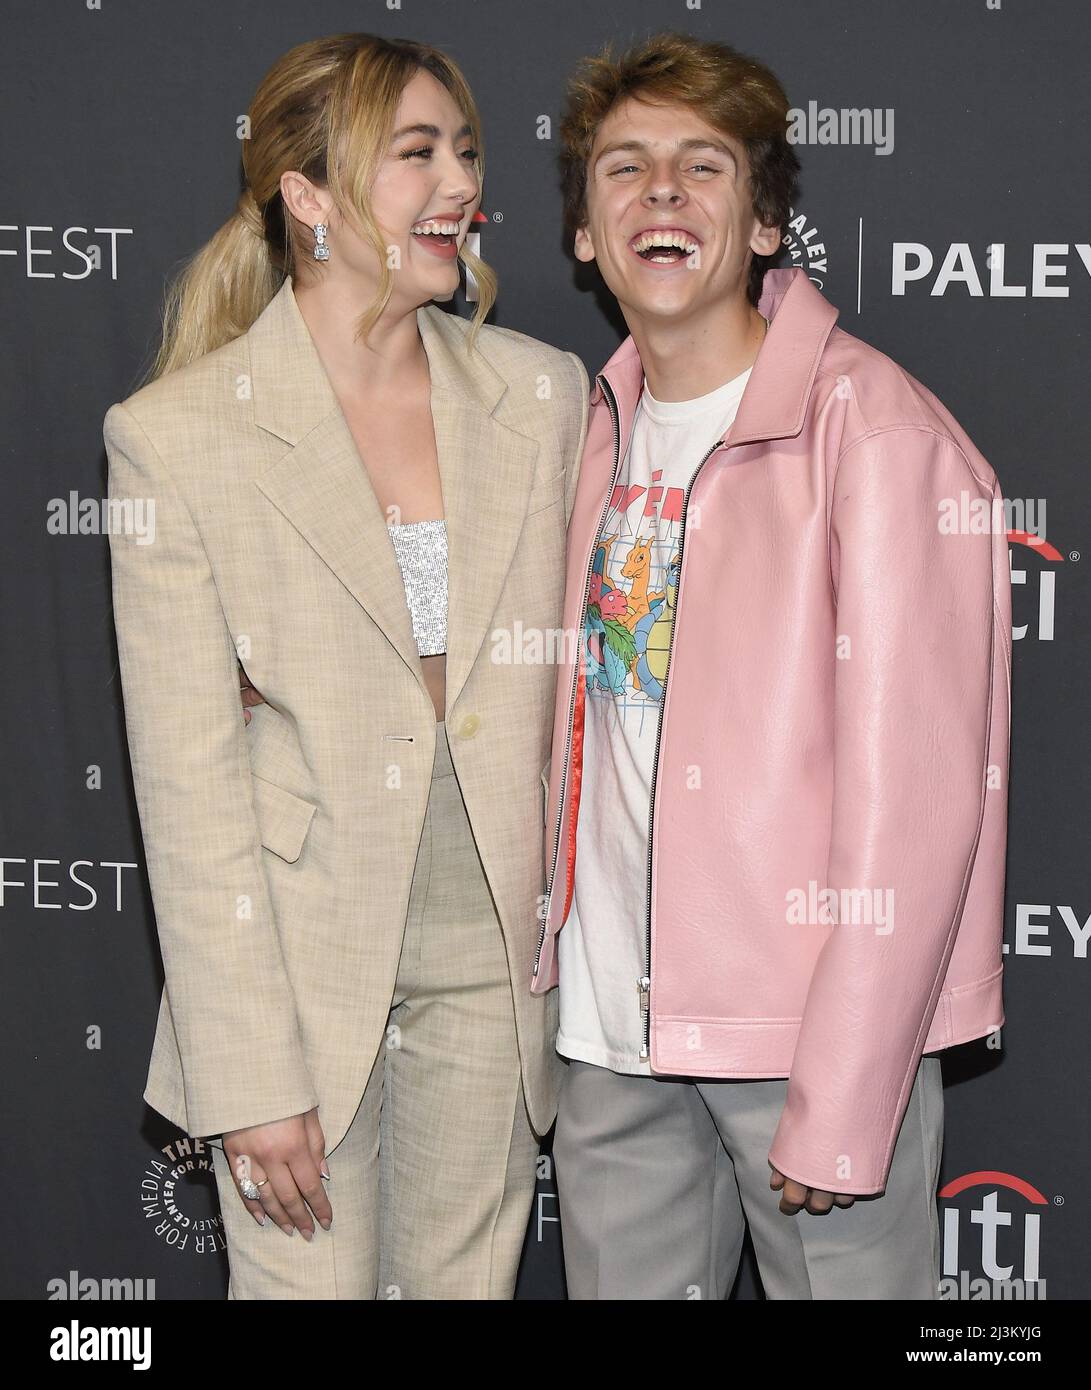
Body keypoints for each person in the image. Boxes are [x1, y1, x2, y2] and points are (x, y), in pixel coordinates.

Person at [105, 32, 586, 1300]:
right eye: (413, 153)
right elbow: (189, 793)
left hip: (492, 951)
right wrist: (248, 1076)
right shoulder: (176, 439)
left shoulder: (542, 398)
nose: (458, 186)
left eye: (466, 151)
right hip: (296, 960)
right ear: (305, 196)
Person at [532, 32, 1012, 1299]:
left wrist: (848, 1086)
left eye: (703, 167)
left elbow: (918, 808)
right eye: (623, 169)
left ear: (762, 223)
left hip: (804, 1047)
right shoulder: (580, 431)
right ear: (584, 232)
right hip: (607, 1037)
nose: (661, 195)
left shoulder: (880, 436)